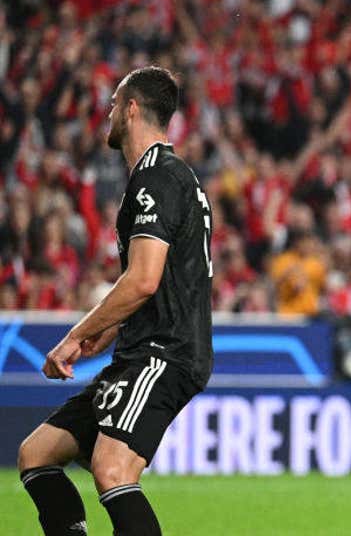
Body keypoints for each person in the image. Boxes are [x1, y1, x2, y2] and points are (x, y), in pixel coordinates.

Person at [17, 66, 214, 536]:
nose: (107, 114)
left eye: (112, 104)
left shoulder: (157, 179)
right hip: (141, 350)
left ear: (130, 109)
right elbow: (152, 285)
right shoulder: (163, 178)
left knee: (112, 469)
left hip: (165, 353)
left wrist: (74, 337)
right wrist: (101, 335)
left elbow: (142, 280)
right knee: (36, 455)